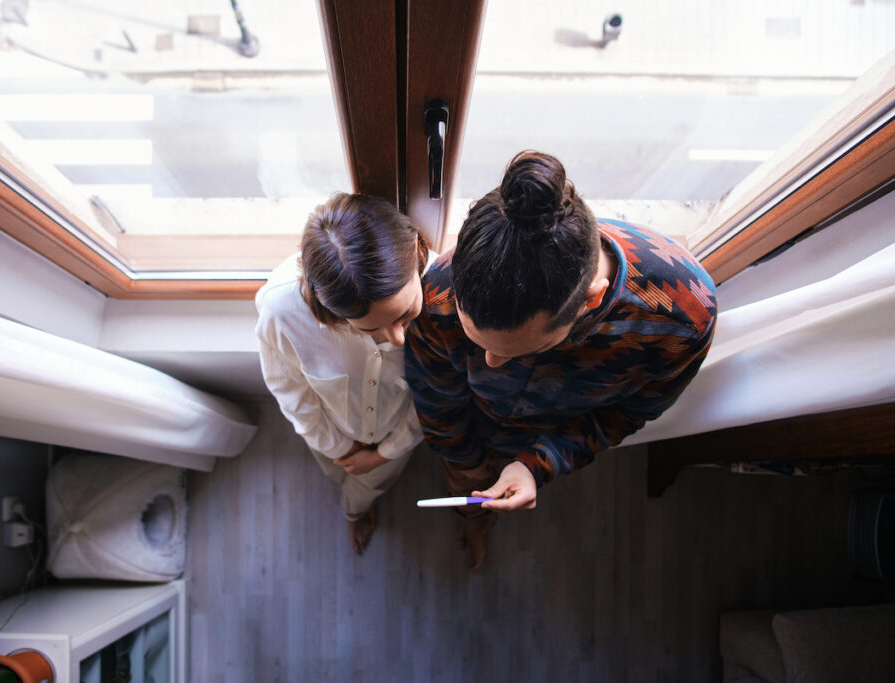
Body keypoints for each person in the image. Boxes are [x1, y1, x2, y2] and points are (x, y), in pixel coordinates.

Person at [405, 150, 717, 571]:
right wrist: (463, 464)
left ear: (593, 299)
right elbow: (436, 392)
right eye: (474, 341)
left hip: (549, 432)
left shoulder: (682, 318)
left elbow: (626, 414)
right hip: (468, 433)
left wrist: (538, 463)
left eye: (520, 350)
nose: (487, 365)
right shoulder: (441, 287)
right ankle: (472, 521)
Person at [255, 193, 430, 555]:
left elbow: (436, 391)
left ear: (415, 249)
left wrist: (385, 453)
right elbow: (288, 388)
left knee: (369, 485)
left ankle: (355, 510)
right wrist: (341, 447)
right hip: (331, 435)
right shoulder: (281, 311)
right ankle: (354, 500)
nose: (398, 338)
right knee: (339, 473)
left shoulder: (444, 293)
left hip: (398, 433)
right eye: (371, 330)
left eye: (405, 313)